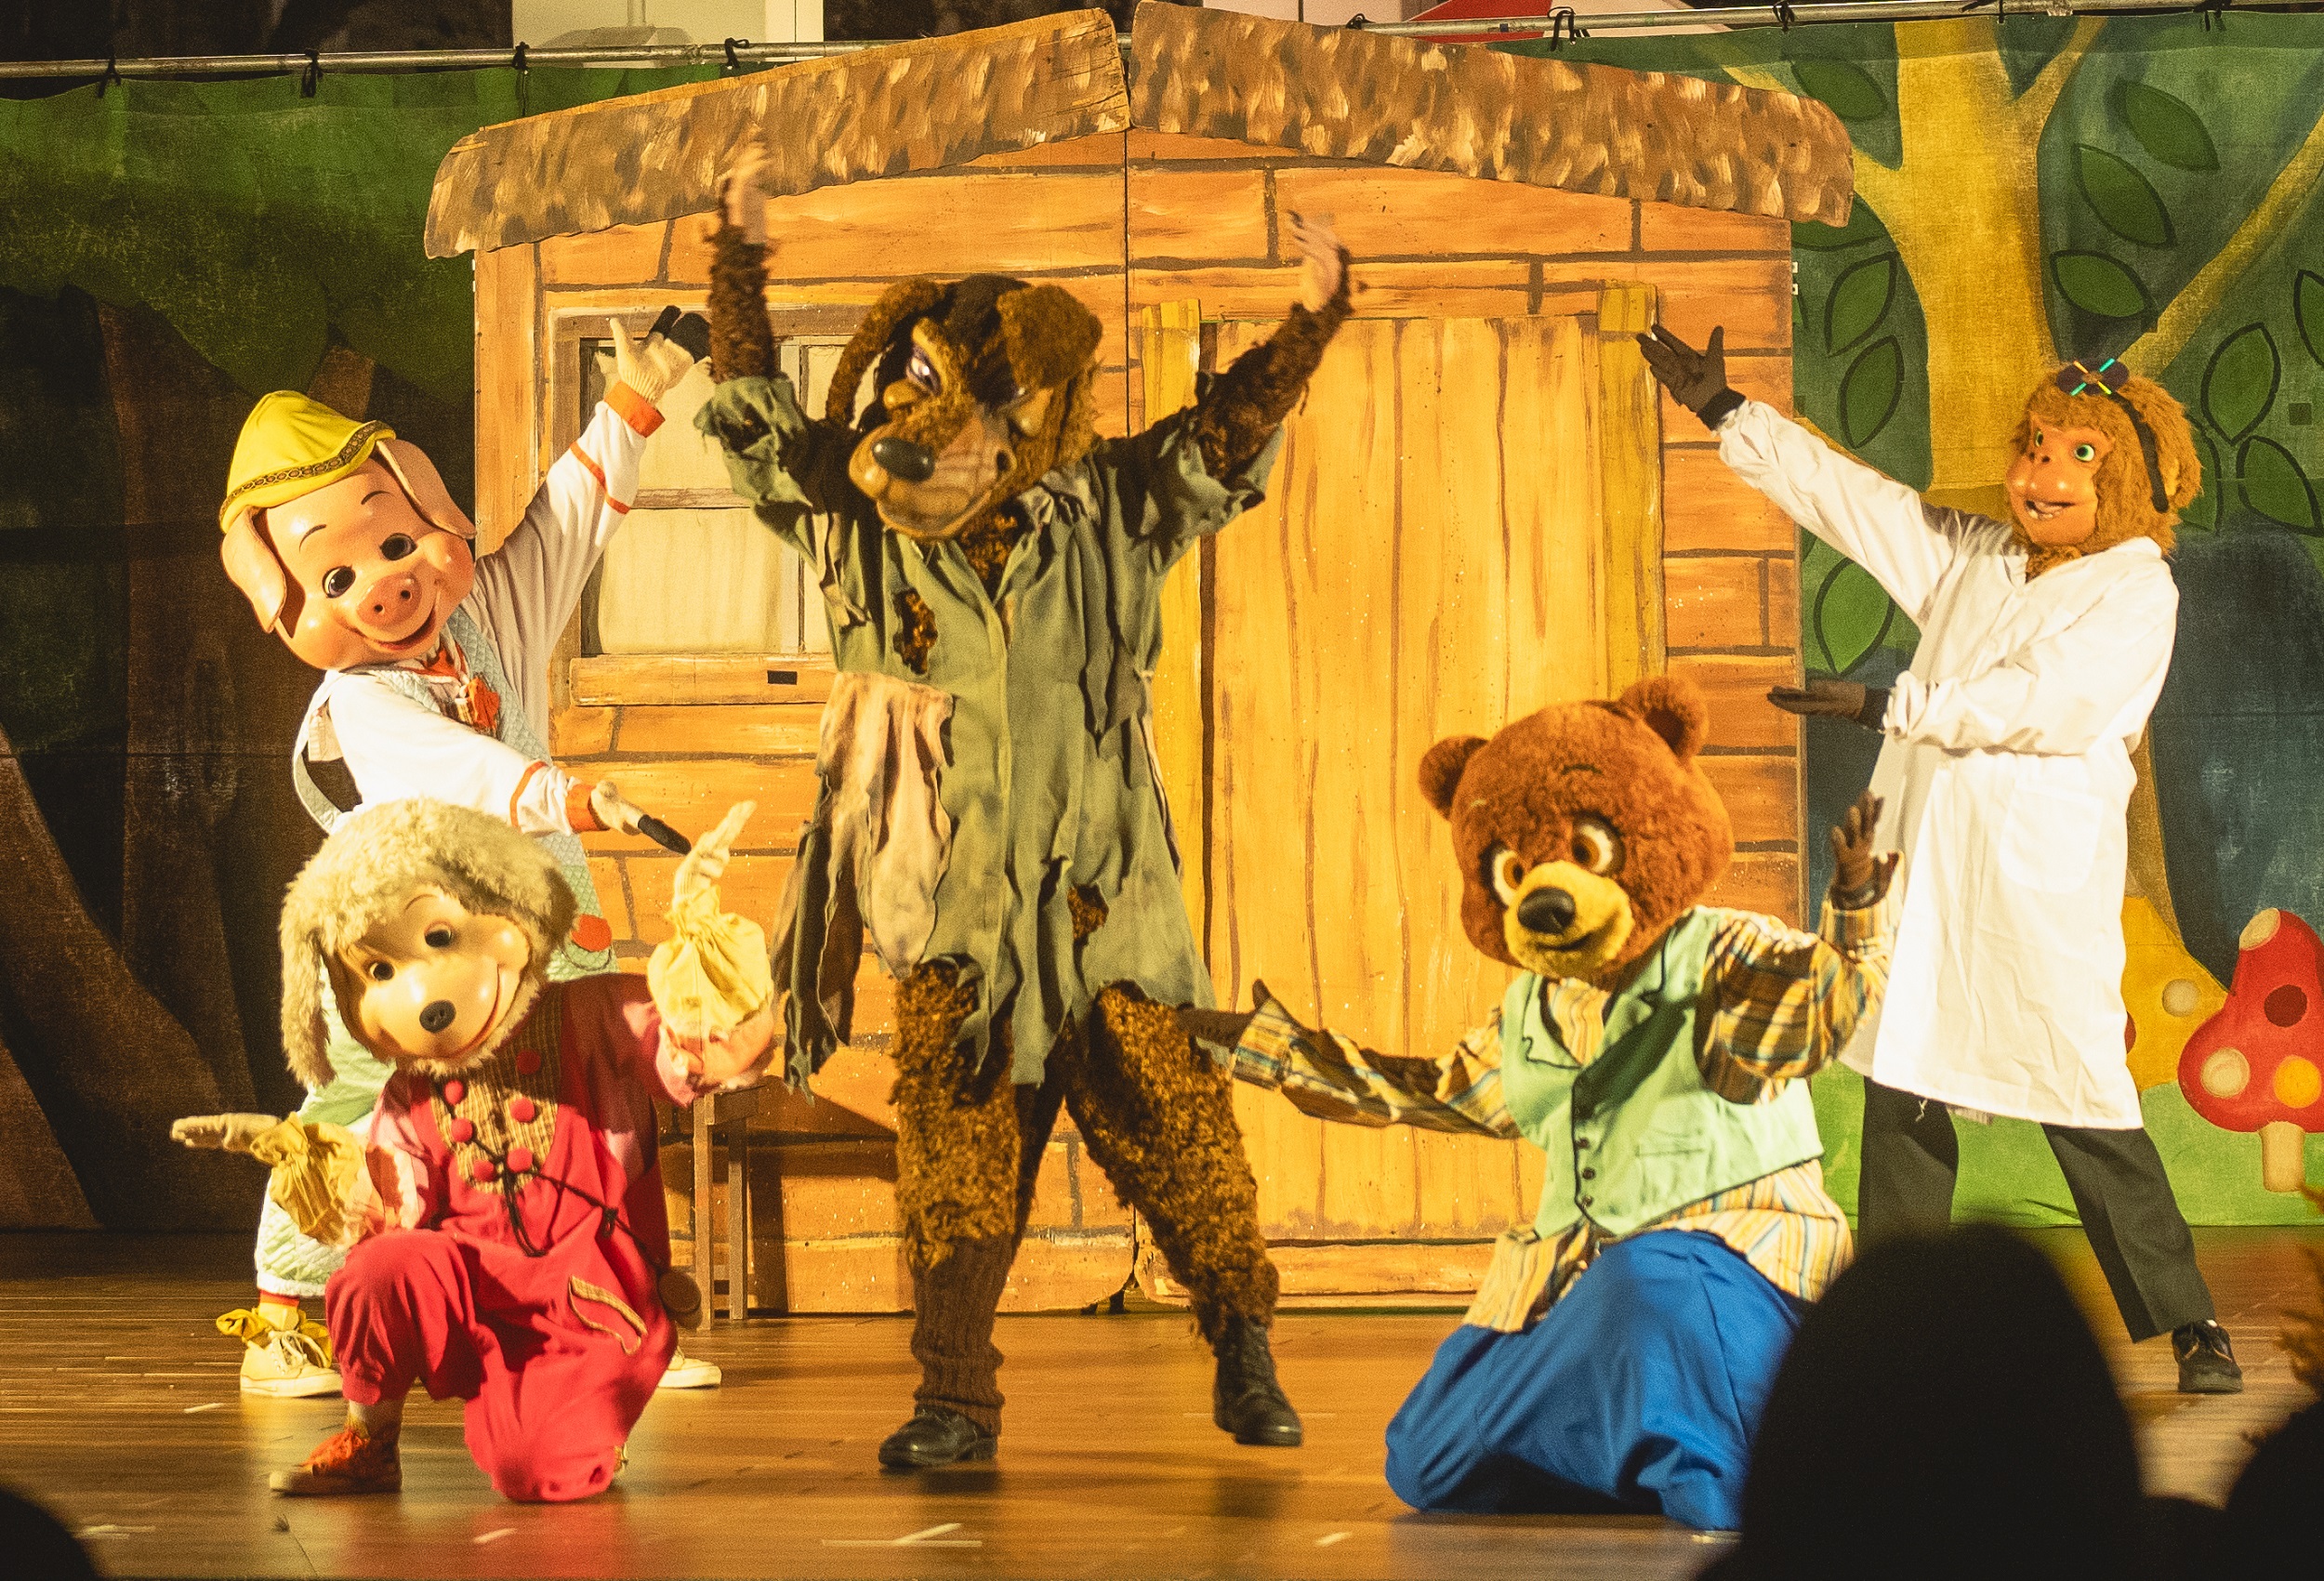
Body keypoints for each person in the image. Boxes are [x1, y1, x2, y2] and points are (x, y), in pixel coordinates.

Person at [1639, 326, 2239, 1393]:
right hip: (1925, 871)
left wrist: (1890, 703)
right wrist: (1729, 413)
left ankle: (2188, 1321)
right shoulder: (1980, 560)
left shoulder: (2134, 593)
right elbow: (1854, 502)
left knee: (2080, 1091)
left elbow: (2045, 700)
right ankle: (1888, 1321)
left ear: (2131, 482)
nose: (2039, 473)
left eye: (2076, 456)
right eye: (2034, 447)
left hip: (2032, 886)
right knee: (1901, 1073)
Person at [211, 313, 723, 1395]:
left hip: (539, 918)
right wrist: (565, 797)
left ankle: (608, 1316)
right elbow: (458, 772)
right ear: (284, 603)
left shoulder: (483, 613)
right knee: (355, 1108)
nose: (384, 585)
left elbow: (565, 525)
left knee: (589, 1104)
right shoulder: (362, 699)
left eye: (395, 546)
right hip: (405, 939)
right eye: (335, 580)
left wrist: (632, 404)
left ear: (431, 517)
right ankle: (289, 1316)